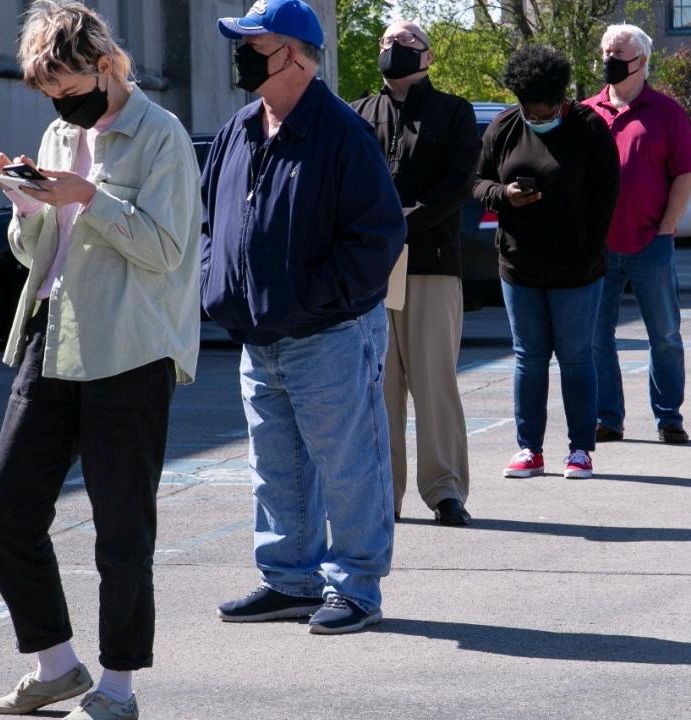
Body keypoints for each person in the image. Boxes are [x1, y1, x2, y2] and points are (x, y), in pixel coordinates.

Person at [0, 2, 202, 718]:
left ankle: (118, 687)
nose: (61, 105)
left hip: (130, 350)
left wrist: (88, 197)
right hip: (53, 336)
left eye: (69, 88)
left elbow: (167, 251)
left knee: (121, 529)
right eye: (50, 93)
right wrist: (26, 208)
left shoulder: (160, 135)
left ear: (106, 66)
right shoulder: (55, 130)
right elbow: (38, 254)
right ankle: (56, 667)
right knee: (7, 516)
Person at [203, 0, 406, 635]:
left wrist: (311, 296)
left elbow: (377, 239)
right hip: (259, 336)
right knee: (276, 467)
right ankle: (289, 579)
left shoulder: (342, 132)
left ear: (291, 54)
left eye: (252, 44)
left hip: (329, 334)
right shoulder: (239, 129)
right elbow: (213, 221)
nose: (239, 55)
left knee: (350, 465)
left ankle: (357, 587)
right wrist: (222, 288)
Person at [351, 21, 478, 527]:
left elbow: (458, 184)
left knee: (434, 381)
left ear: (426, 57)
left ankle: (445, 490)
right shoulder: (358, 113)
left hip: (431, 262)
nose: (390, 48)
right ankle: (385, 493)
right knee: (378, 389)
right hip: (372, 271)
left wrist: (405, 219)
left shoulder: (454, 112)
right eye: (385, 42)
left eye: (402, 43)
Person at [473, 45, 620, 479]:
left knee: (576, 358)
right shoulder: (503, 126)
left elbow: (606, 198)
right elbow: (477, 182)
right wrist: (505, 196)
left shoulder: (591, 129)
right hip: (520, 267)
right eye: (530, 111)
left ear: (561, 98)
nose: (538, 117)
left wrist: (588, 251)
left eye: (546, 110)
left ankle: (580, 450)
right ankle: (528, 449)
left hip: (577, 269)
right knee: (529, 358)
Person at [583, 24, 691, 445]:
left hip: (650, 243)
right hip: (597, 248)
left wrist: (666, 227)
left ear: (642, 61)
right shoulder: (586, 112)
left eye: (618, 52)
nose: (608, 59)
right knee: (597, 337)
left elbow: (686, 172)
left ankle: (668, 415)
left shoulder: (667, 112)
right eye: (606, 52)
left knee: (664, 334)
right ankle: (607, 418)